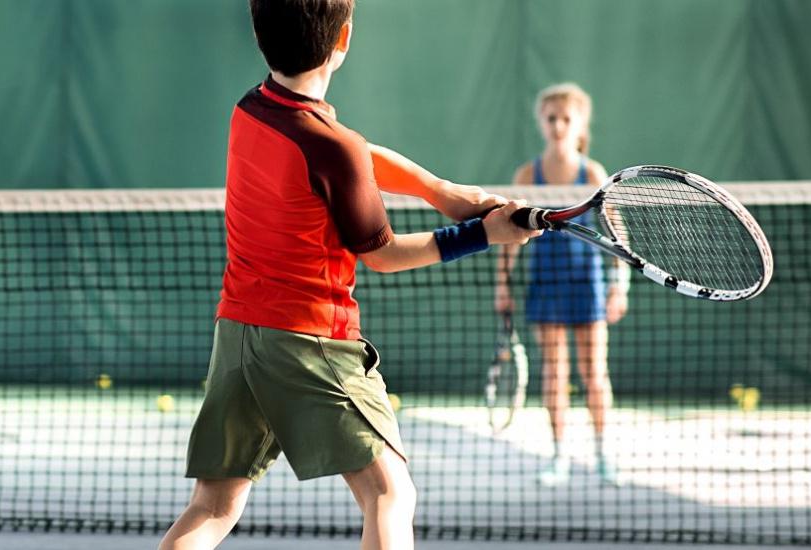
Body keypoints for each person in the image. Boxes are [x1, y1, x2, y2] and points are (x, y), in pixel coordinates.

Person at [157, 2, 541, 549]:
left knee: (213, 505)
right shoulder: (331, 149)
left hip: (237, 335)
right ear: (344, 38)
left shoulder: (252, 109)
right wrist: (483, 234)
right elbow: (381, 254)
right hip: (311, 340)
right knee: (389, 494)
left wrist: (444, 193)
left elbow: (352, 155)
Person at [494, 83, 629, 488]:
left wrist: (619, 285)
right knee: (553, 373)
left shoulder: (592, 173)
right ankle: (558, 457)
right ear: (542, 122)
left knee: (594, 373)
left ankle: (604, 454)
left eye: (565, 119)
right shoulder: (526, 175)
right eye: (551, 118)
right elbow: (508, 235)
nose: (557, 126)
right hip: (545, 284)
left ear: (579, 124)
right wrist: (501, 285)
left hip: (587, 285)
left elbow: (616, 231)